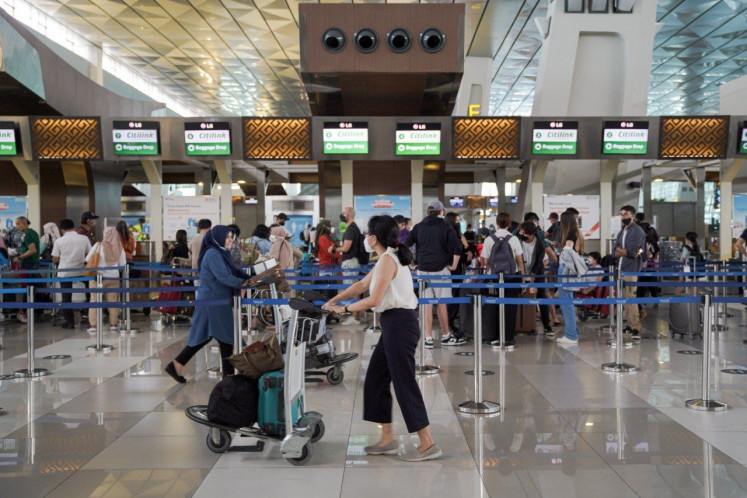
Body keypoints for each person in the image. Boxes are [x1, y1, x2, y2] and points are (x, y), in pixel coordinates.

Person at [323, 215, 441, 462]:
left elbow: (374, 299)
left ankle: (428, 443)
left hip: (400, 324)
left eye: (367, 233)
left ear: (374, 237)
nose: (365, 237)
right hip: (394, 324)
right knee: (376, 379)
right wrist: (334, 300)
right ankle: (387, 439)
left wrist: (343, 310)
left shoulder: (388, 260)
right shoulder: (387, 258)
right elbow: (361, 284)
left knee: (404, 383)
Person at [165, 226, 250, 383]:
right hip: (213, 301)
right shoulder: (213, 254)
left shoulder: (221, 253)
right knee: (225, 338)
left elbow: (233, 271)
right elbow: (224, 276)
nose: (231, 240)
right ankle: (228, 377)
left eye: (231, 237)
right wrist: (244, 284)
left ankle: (177, 364)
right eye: (227, 237)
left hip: (216, 300)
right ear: (217, 238)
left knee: (212, 336)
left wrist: (248, 278)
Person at [406, 200, 461, 348]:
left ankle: (428, 338)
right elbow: (457, 246)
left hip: (423, 270)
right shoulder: (446, 226)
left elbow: (405, 246)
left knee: (426, 304)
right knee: (441, 304)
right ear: (440, 212)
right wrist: (454, 265)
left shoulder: (418, 227)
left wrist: (411, 264)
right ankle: (445, 336)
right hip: (441, 270)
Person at [480, 212, 525, 347]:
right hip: (512, 277)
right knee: (510, 307)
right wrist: (522, 279)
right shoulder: (514, 239)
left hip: (493, 277)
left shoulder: (489, 239)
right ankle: (508, 338)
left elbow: (485, 261)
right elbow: (520, 261)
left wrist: (492, 269)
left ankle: (493, 336)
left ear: (497, 224)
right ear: (510, 224)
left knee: (492, 306)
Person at [614, 205, 646, 340]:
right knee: (624, 298)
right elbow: (615, 250)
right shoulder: (622, 231)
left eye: (626, 214)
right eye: (622, 214)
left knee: (631, 298)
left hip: (631, 269)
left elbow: (634, 252)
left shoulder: (637, 231)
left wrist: (623, 251)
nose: (623, 216)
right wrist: (621, 251)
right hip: (620, 268)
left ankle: (636, 327)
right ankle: (629, 324)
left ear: (632, 215)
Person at [52, 219, 91, 329]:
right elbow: (90, 254)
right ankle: (90, 316)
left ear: (62, 229)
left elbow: (55, 258)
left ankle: (69, 322)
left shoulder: (59, 241)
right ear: (74, 227)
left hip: (65, 272)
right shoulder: (84, 238)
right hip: (81, 271)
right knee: (90, 292)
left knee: (66, 297)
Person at [86, 227, 126, 333]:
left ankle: (93, 326)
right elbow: (122, 265)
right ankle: (113, 324)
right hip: (114, 278)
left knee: (94, 300)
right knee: (113, 301)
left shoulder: (98, 245)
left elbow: (87, 259)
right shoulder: (119, 247)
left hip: (98, 277)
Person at [517, 221, 554, 336]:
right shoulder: (517, 240)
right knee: (517, 296)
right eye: (521, 232)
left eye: (524, 233)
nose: (521, 234)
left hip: (537, 272)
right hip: (520, 271)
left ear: (531, 234)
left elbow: (539, 260)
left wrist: (532, 274)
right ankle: (518, 325)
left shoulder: (540, 243)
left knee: (541, 297)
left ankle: (546, 326)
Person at [556, 212, 585, 346]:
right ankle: (572, 332)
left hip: (566, 271)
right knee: (568, 302)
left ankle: (571, 335)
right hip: (571, 271)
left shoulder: (570, 234)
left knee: (566, 303)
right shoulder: (577, 233)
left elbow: (567, 252)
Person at [335, 207, 364, 324]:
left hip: (350, 262)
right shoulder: (353, 228)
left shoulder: (351, 229)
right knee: (354, 289)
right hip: (353, 261)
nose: (342, 214)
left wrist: (334, 249)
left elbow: (346, 248)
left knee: (351, 290)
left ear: (349, 215)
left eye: (344, 213)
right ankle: (355, 315)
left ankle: (354, 316)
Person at [12, 217, 41, 324]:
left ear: (24, 224)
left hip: (29, 265)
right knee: (34, 288)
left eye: (18, 223)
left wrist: (19, 257)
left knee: (28, 289)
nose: (16, 226)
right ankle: (34, 312)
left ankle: (28, 312)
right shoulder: (33, 232)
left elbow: (32, 250)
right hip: (34, 264)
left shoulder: (27, 234)